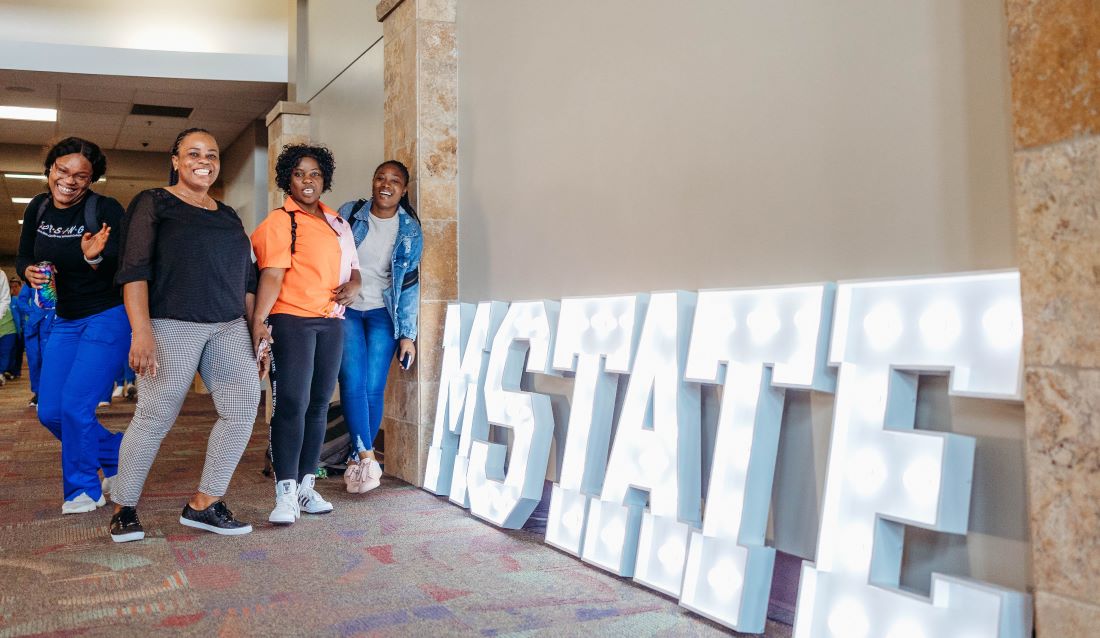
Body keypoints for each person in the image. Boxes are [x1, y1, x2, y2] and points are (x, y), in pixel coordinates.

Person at [109, 128, 264, 542]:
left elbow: (245, 279)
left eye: (212, 154)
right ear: (175, 160)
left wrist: (256, 331)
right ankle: (124, 506)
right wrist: (141, 331)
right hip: (171, 323)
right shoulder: (154, 202)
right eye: (193, 153)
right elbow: (134, 271)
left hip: (229, 326)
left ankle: (204, 503)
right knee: (155, 417)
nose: (204, 161)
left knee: (243, 407)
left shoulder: (228, 215)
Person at [14, 137, 130, 513]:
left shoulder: (105, 209)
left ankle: (83, 489)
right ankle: (113, 451)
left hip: (107, 315)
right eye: (62, 170)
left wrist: (93, 258)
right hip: (63, 318)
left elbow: (128, 268)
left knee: (76, 407)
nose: (70, 180)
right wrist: (27, 272)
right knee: (49, 410)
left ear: (92, 179)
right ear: (50, 169)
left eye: (82, 175)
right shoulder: (39, 207)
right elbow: (25, 256)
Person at [251, 144, 360, 524]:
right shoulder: (280, 221)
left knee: (317, 406)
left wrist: (356, 285)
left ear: (324, 178)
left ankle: (305, 486)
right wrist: (259, 321)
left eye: (314, 174)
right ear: (288, 180)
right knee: (292, 405)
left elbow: (353, 268)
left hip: (331, 322)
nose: (308, 181)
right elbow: (272, 275)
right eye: (299, 174)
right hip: (292, 320)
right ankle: (284, 492)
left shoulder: (338, 223)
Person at [337, 160, 423, 494]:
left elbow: (410, 286)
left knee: (374, 386)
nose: (385, 185)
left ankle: (358, 462)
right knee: (353, 381)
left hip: (382, 313)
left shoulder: (410, 231)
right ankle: (367, 456)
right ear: (373, 182)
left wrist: (408, 335)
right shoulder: (351, 212)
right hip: (346, 308)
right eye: (380, 178)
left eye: (395, 181)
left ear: (403, 190)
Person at [18, 263, 56, 406]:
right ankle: (38, 393)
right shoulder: (32, 281)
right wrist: (32, 313)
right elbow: (21, 301)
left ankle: (50, 392)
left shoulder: (57, 282)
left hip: (52, 323)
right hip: (34, 325)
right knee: (34, 359)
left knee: (50, 359)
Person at [6, 276, 25, 380]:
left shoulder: (22, 300)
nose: (14, 289)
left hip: (21, 330)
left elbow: (23, 317)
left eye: (16, 286)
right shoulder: (8, 300)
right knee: (11, 351)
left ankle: (16, 371)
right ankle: (9, 370)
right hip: (11, 331)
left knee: (18, 352)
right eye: (11, 286)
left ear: (20, 286)